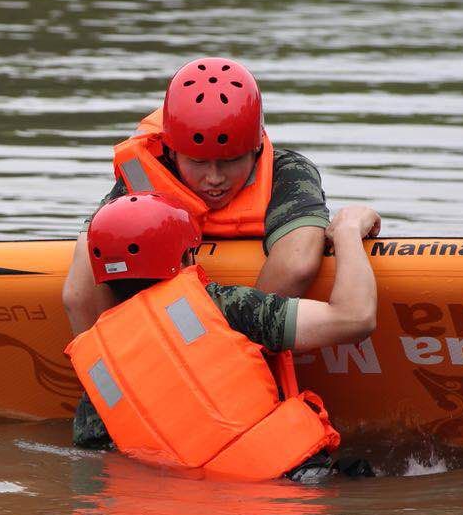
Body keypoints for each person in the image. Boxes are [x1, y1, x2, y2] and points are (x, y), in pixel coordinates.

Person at [65, 192, 382, 482]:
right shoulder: (222, 306)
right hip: (295, 484)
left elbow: (98, 471)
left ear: (101, 279)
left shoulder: (96, 372)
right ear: (188, 258)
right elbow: (354, 318)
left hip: (190, 511)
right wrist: (348, 230)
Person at [62, 57, 330, 336]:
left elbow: (296, 265)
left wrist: (225, 345)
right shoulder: (145, 173)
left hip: (232, 344)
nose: (215, 178)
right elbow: (80, 294)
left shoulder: (288, 171)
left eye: (231, 161)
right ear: (171, 152)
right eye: (198, 163)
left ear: (257, 148)